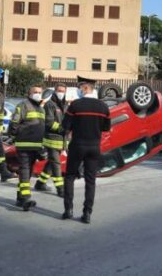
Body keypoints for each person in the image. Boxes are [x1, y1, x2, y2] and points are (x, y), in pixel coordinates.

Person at [61, 76, 110, 224]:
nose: (79, 90)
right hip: (94, 147)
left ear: (86, 88)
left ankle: (68, 210)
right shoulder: (103, 107)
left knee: (69, 176)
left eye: (80, 87)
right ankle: (87, 213)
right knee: (90, 180)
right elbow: (106, 127)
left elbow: (65, 126)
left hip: (77, 145)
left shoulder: (75, 105)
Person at [8, 84, 46, 211]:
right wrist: (15, 136)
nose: (37, 94)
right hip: (24, 145)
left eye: (40, 92)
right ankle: (26, 198)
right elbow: (14, 123)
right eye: (35, 91)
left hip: (36, 146)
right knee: (24, 171)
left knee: (28, 172)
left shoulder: (41, 108)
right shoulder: (23, 105)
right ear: (29, 93)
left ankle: (19, 198)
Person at [35, 83, 68, 197]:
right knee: (56, 164)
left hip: (60, 140)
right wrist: (62, 129)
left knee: (51, 162)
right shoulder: (50, 104)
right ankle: (60, 189)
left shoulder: (64, 105)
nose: (61, 93)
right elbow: (49, 123)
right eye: (59, 90)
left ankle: (40, 183)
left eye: (63, 91)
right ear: (55, 90)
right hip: (51, 140)